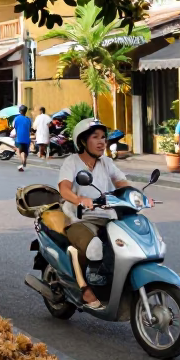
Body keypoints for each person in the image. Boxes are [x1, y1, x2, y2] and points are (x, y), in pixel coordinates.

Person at [56, 118, 132, 311]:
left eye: (104, 138)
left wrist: (136, 196)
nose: (101, 142)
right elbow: (64, 189)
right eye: (95, 137)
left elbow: (122, 182)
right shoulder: (71, 162)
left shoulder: (106, 162)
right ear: (83, 141)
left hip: (107, 217)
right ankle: (84, 288)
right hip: (78, 218)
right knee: (95, 247)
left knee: (126, 244)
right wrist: (79, 199)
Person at [14, 106, 33, 173]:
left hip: (19, 138)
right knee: (25, 152)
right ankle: (24, 159)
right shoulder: (28, 119)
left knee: (18, 150)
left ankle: (22, 160)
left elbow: (15, 127)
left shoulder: (16, 118)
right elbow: (30, 129)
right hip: (27, 139)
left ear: (20, 111)